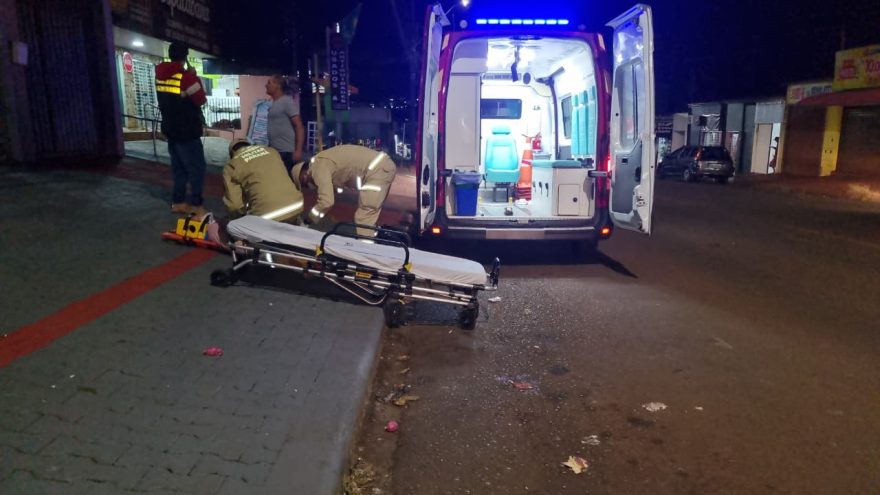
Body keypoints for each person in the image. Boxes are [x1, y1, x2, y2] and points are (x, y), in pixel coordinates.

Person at [292, 145, 397, 237]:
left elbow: (326, 202)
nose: (308, 187)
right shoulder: (322, 160)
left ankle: (364, 253)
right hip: (381, 167)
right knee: (370, 215)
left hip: (377, 170)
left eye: (304, 184)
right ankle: (372, 244)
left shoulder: (317, 168)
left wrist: (308, 220)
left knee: (364, 217)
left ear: (304, 174)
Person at [155, 42, 208, 216]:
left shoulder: (160, 75)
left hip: (170, 128)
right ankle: (196, 205)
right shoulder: (186, 77)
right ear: (185, 58)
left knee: (178, 167)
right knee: (196, 168)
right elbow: (200, 100)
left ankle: (178, 202)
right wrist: (194, 76)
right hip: (188, 130)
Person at [222, 140, 305, 223]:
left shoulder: (231, 165)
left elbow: (234, 206)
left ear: (232, 153)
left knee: (232, 227)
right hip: (297, 205)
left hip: (266, 215)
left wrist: (237, 217)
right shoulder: (271, 151)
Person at [265, 75, 305, 176]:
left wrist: (298, 150)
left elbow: (299, 125)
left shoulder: (286, 101)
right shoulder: (275, 103)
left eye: (269, 83)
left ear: (278, 85)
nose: (266, 85)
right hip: (276, 151)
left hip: (286, 152)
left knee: (287, 181)